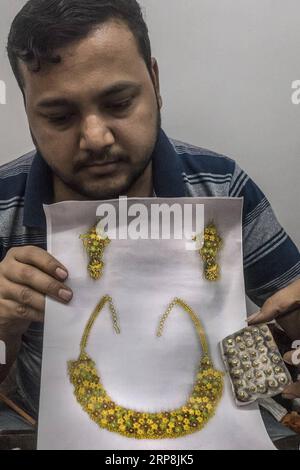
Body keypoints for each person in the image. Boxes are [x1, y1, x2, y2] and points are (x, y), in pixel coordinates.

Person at [0, 0, 299, 444]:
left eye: (119, 103)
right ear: (26, 109)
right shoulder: (5, 202)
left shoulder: (220, 186)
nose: (96, 138)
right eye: (59, 117)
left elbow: (290, 312)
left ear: (155, 82)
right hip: (34, 427)